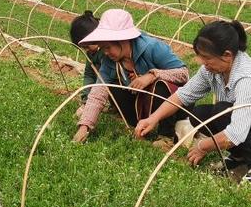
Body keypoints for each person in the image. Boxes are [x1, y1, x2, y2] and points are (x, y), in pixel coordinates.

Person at [135, 20, 251, 187]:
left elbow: (236, 133)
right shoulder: (211, 70)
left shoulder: (247, 78)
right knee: (199, 115)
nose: (201, 62)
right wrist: (153, 118)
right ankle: (239, 156)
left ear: (227, 55)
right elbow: (183, 96)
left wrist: (203, 146)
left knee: (222, 111)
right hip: (250, 123)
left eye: (206, 58)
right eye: (200, 56)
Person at [73, 9, 190, 144]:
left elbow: (184, 74)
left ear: (123, 40)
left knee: (160, 85)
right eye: (102, 48)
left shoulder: (153, 47)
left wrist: (152, 75)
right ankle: (140, 124)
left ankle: (166, 135)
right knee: (111, 87)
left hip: (173, 105)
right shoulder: (110, 61)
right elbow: (98, 91)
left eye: (108, 47)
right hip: (142, 103)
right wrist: (85, 126)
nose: (105, 52)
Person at [69, 11, 104, 117]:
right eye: (84, 48)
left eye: (87, 46)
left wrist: (90, 106)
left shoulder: (108, 52)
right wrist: (86, 100)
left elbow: (103, 81)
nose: (86, 50)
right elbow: (89, 75)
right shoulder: (91, 53)